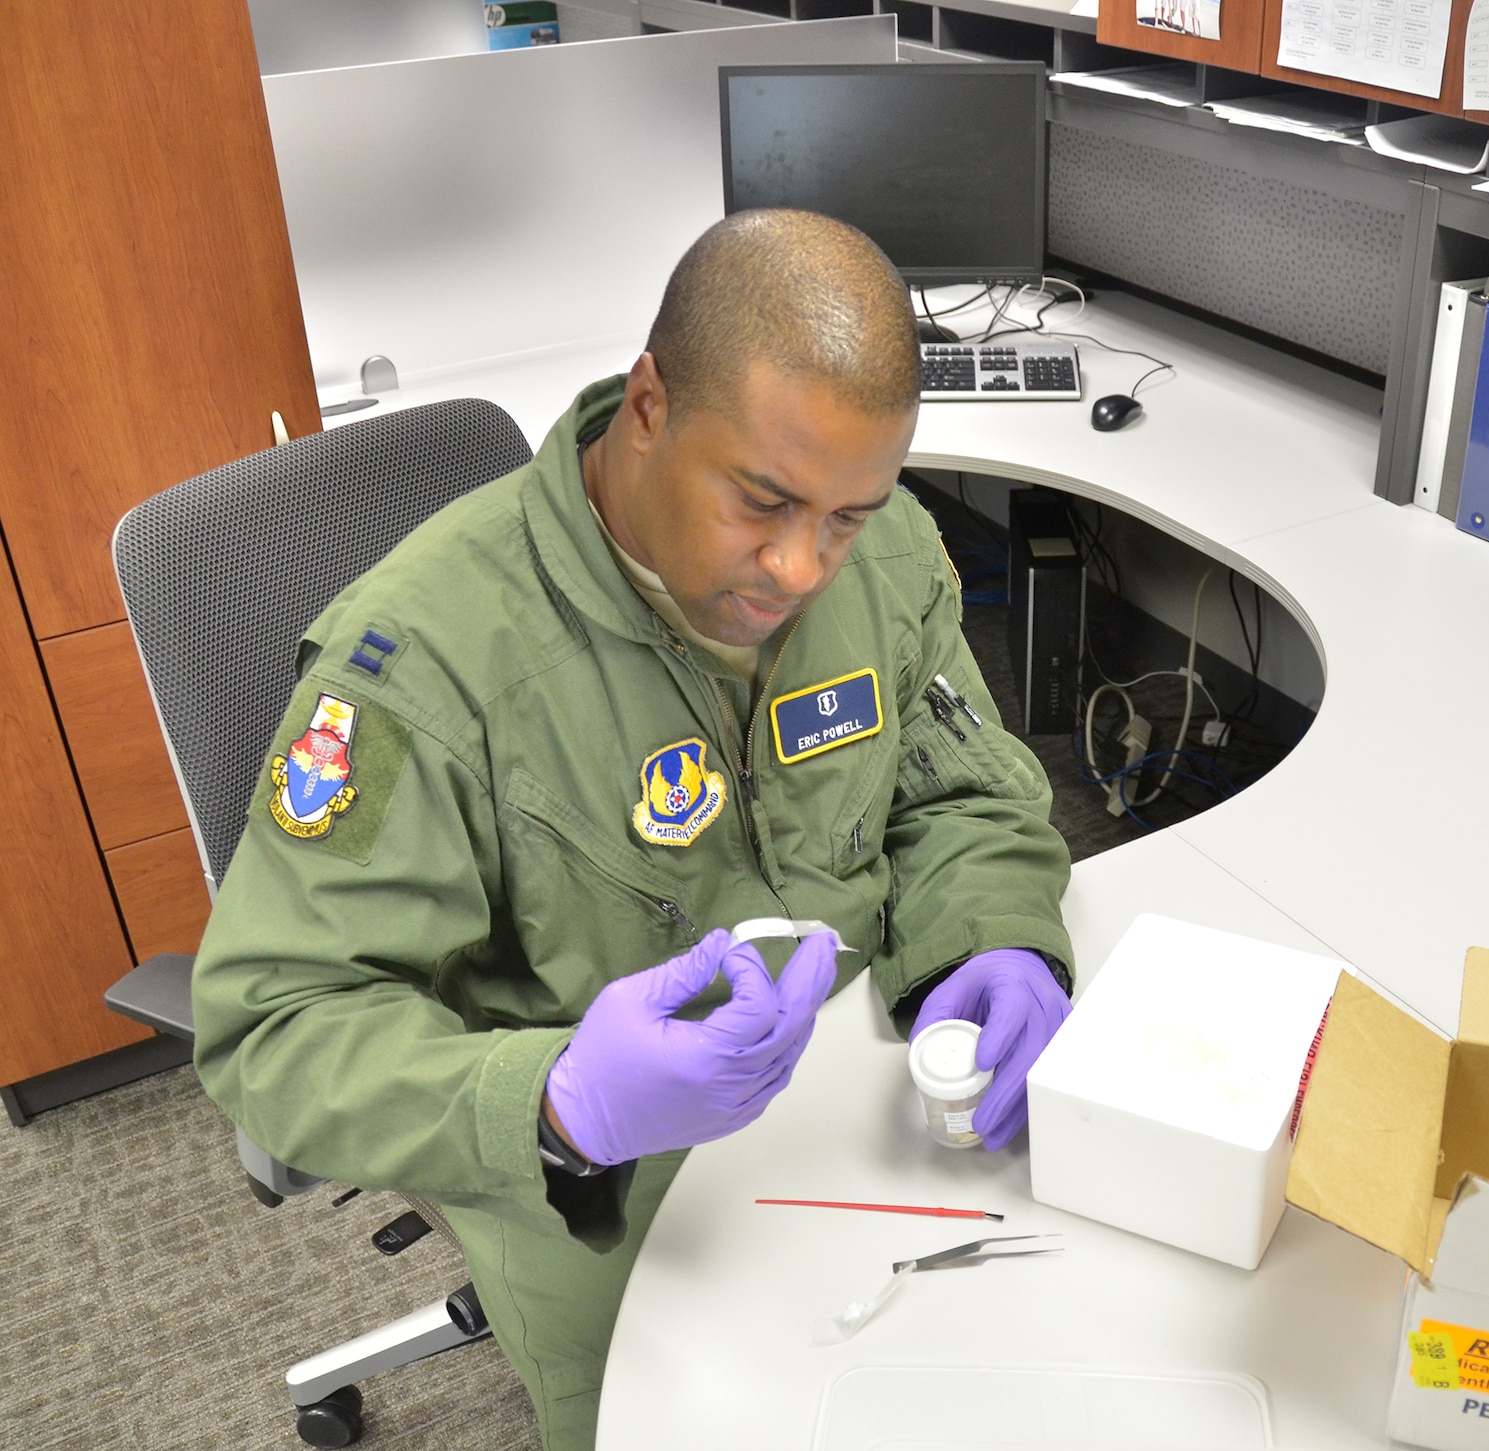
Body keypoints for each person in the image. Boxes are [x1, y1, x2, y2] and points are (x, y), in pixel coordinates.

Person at [192, 210, 1075, 1450]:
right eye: (762, 500)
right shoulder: (422, 664)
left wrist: (996, 937)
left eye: (845, 515)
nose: (800, 565)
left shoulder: (889, 557)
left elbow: (961, 791)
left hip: (868, 1120)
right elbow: (274, 1027)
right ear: (649, 404)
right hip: (609, 1193)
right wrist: (557, 1101)